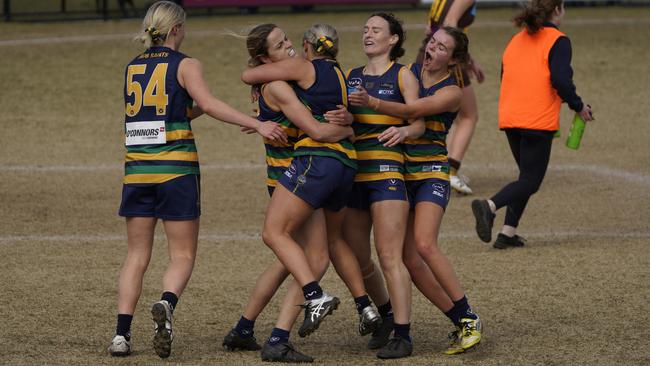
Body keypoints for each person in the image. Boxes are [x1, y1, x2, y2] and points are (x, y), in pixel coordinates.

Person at [108, 1, 286, 358]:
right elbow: (207, 102)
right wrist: (256, 123)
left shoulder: (132, 67)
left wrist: (199, 106)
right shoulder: (186, 64)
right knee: (183, 253)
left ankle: (121, 335)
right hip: (176, 171)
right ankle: (167, 304)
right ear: (176, 30)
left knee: (136, 255)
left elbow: (172, 111)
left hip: (137, 171)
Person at [223, 23, 366, 363]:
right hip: (300, 174)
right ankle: (304, 307)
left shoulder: (272, 82)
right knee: (298, 254)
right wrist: (348, 127)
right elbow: (316, 129)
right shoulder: (279, 84)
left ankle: (247, 329)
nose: (288, 46)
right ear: (264, 57)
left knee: (303, 259)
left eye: (287, 39)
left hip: (290, 174)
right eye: (279, 44)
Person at [350, 26, 483, 355]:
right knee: (408, 257)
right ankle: (461, 318)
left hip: (431, 173)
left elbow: (413, 111)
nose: (433, 49)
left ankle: (468, 316)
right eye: (433, 43)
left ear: (453, 60)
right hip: (403, 173)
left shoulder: (452, 91)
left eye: (442, 48)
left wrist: (373, 102)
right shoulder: (408, 72)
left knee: (423, 244)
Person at [471, 0, 594, 249]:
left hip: (510, 117)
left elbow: (506, 73)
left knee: (524, 177)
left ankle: (507, 232)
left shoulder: (517, 39)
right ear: (557, 10)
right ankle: (490, 206)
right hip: (536, 119)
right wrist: (578, 106)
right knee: (530, 181)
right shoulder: (558, 40)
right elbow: (561, 79)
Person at [345, 13, 425, 359]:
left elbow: (418, 121)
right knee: (360, 258)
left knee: (389, 255)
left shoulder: (403, 74)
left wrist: (405, 131)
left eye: (376, 30)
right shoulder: (352, 76)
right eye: (365, 29)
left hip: (388, 172)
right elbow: (346, 119)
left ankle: (404, 335)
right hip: (353, 175)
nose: (368, 34)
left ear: (393, 39)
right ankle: (388, 317)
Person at [416, 0, 484, 195]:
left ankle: (434, 168)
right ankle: (450, 172)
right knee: (469, 116)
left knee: (431, 114)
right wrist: (462, 59)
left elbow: (430, 27)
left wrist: (469, 60)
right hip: (446, 58)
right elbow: (450, 22)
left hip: (427, 53)